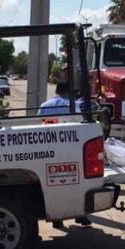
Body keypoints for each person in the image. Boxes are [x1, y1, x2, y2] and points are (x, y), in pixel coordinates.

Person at [39, 81, 91, 229]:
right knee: (76, 182)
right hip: (71, 150)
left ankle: (57, 218)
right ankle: (81, 215)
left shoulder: (44, 106)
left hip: (49, 152)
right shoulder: (74, 106)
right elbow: (81, 126)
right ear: (69, 92)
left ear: (56, 91)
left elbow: (38, 125)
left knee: (53, 184)